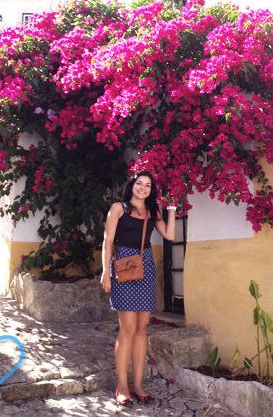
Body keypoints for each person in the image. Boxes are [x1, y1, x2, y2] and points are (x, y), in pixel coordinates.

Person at [101, 171, 176, 406]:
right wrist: (105, 271)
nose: (142, 188)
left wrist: (171, 207)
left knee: (143, 328)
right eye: (139, 183)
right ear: (132, 185)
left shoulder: (152, 211)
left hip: (145, 266)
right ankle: (122, 386)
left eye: (147, 185)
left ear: (151, 189)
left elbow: (170, 234)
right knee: (128, 329)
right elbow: (108, 241)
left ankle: (138, 385)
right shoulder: (119, 208)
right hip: (123, 266)